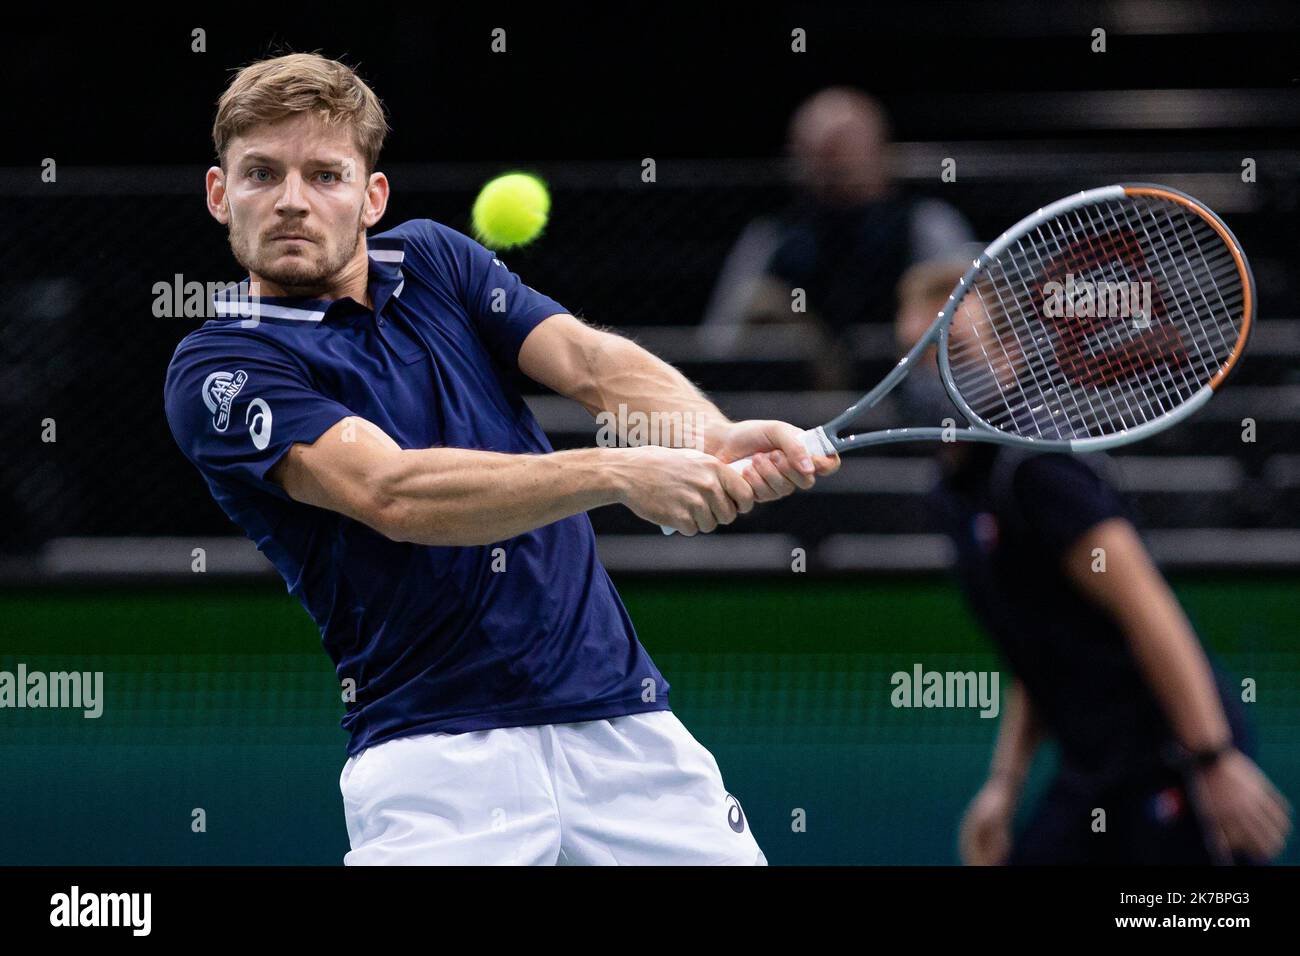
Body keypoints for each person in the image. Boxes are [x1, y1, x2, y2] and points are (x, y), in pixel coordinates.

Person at [163, 53, 838, 865]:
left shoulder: (436, 261)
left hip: (626, 732)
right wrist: (619, 472)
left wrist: (709, 434)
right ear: (218, 194)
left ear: (372, 197)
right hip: (435, 764)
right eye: (262, 174)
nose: (294, 200)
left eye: (326, 174)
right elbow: (393, 494)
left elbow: (590, 365)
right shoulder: (219, 368)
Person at [890, 261, 1292, 865]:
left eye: (957, 352)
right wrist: (1006, 783)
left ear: (1008, 360)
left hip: (1171, 759)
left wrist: (1213, 761)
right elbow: (1037, 648)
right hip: (1094, 772)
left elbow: (1147, 608)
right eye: (917, 355)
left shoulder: (1038, 471)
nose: (935, 374)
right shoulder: (953, 493)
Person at [701, 87, 973, 388]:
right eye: (817, 153)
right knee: (760, 300)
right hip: (801, 403)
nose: (831, 165)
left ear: (878, 151)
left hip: (908, 386)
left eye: (842, 149)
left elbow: (971, 323)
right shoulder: (774, 234)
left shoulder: (924, 223)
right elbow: (720, 338)